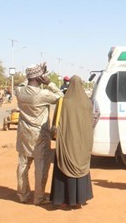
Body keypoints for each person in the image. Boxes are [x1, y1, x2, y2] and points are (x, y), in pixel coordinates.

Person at [15, 62, 63, 205]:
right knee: (41, 165)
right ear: (40, 78)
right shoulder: (43, 94)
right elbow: (60, 96)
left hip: (23, 133)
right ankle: (39, 197)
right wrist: (49, 83)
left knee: (23, 164)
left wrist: (36, 73)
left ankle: (23, 195)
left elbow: (26, 82)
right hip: (39, 135)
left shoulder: (19, 91)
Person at [50, 75, 94, 209]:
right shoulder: (88, 103)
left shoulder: (64, 101)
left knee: (63, 167)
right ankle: (80, 199)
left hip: (66, 143)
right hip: (82, 143)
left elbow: (55, 123)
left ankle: (63, 199)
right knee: (81, 167)